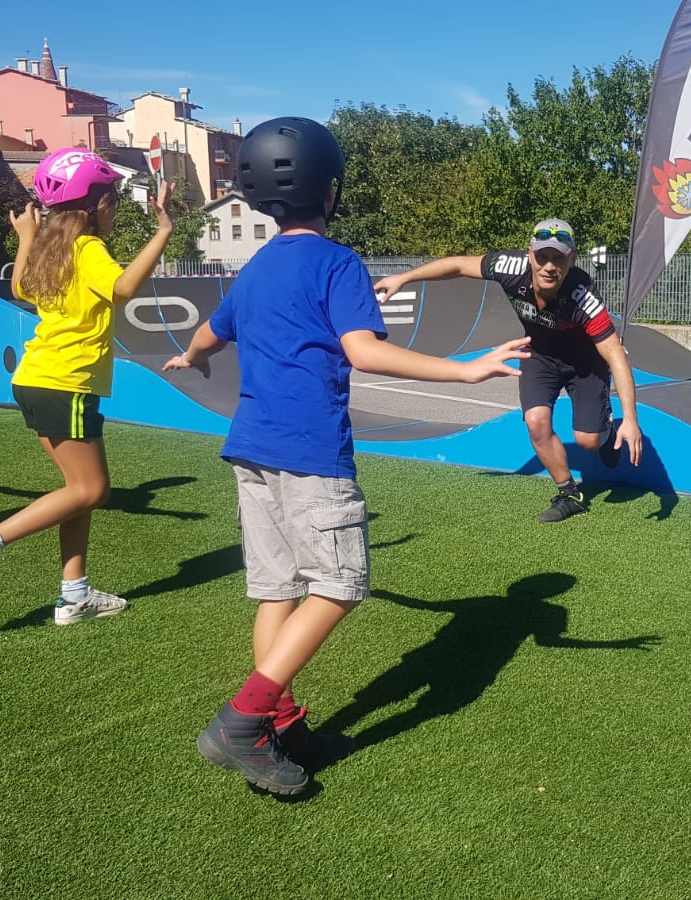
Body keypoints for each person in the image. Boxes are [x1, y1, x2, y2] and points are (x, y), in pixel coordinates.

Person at [161, 116, 529, 796]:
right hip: (309, 452)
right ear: (330, 192)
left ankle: (284, 725)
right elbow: (364, 352)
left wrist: (190, 357)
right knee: (338, 586)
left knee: (278, 589)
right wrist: (467, 370)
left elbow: (210, 336)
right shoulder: (337, 262)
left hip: (252, 451)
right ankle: (242, 722)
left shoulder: (255, 268)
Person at [0, 149, 173, 625]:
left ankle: (75, 594)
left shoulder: (52, 244)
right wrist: (163, 232)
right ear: (96, 204)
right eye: (112, 197)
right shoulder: (88, 248)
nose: (114, 207)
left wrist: (26, 237)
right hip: (65, 383)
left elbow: (22, 290)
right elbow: (124, 288)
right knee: (92, 490)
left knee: (77, 489)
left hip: (37, 380)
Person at [372, 219, 642, 523]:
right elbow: (459, 265)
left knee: (587, 441)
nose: (549, 266)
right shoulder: (509, 266)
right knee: (536, 422)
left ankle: (605, 433)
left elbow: (616, 356)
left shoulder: (583, 297)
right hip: (539, 355)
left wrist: (630, 420)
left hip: (585, 363)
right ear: (530, 255)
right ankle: (569, 493)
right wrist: (404, 278)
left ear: (572, 259)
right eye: (543, 256)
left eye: (559, 258)